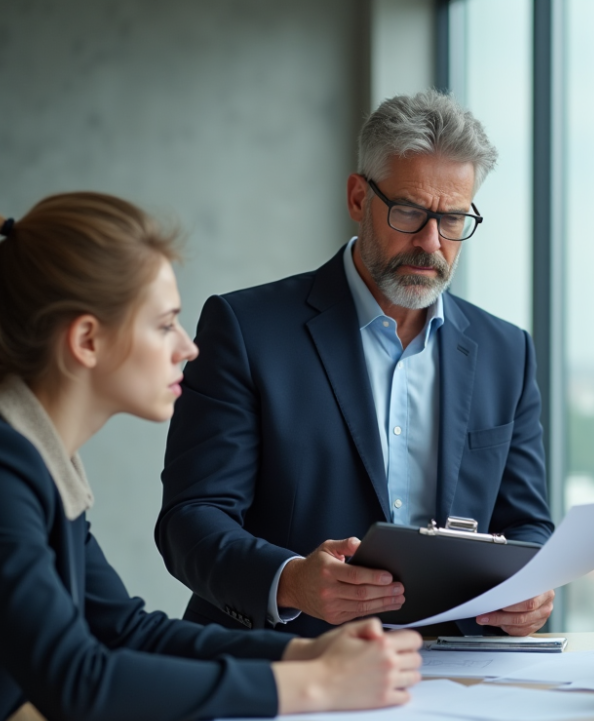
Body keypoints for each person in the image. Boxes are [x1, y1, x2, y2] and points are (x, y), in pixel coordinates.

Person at [0, 194, 423, 721]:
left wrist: (304, 652)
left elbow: (122, 630)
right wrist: (313, 687)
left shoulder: (29, 456)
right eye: (165, 324)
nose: (188, 347)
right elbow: (77, 683)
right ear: (87, 341)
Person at [155, 91, 555, 639]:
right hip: (286, 664)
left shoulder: (507, 351)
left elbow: (526, 522)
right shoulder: (246, 329)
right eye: (410, 212)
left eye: (454, 218)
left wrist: (530, 589)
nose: (431, 243)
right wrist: (291, 581)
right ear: (357, 197)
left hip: (455, 672)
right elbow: (191, 519)